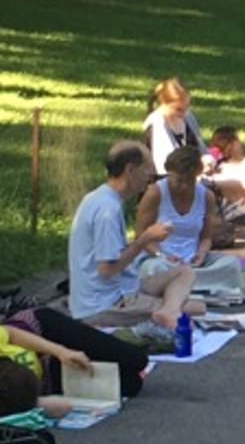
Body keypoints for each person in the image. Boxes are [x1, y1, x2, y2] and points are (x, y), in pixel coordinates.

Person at [68, 141, 202, 330]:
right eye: (147, 169)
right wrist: (145, 239)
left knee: (184, 272)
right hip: (105, 305)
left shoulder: (99, 198)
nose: (150, 176)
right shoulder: (108, 210)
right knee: (196, 308)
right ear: (130, 170)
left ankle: (169, 310)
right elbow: (106, 269)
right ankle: (170, 311)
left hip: (123, 288)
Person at [0, 306, 148, 419]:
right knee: (131, 384)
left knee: (136, 359)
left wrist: (61, 352)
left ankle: (134, 339)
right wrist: (40, 402)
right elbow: (60, 406)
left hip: (39, 331)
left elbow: (11, 333)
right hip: (46, 376)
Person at [134, 147, 245, 298]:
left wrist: (201, 253)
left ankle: (183, 286)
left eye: (189, 181)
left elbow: (206, 238)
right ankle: (195, 286)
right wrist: (161, 255)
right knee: (153, 269)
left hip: (192, 262)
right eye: (178, 180)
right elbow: (141, 237)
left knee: (231, 264)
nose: (183, 186)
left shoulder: (206, 196)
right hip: (162, 260)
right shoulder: (156, 193)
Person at [143, 77, 203, 175]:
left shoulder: (187, 117)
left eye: (187, 107)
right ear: (164, 104)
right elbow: (165, 166)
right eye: (178, 109)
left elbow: (200, 147)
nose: (183, 113)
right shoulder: (158, 124)